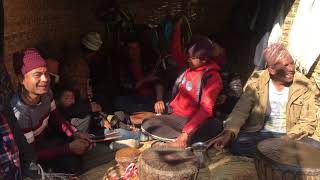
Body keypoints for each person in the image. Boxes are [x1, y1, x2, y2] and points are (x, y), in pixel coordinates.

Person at [208, 43, 320, 157]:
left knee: (316, 148)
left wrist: (287, 138)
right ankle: (277, 156)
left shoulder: (303, 84)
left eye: (292, 63)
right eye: (286, 65)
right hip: (262, 135)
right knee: (238, 144)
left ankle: (269, 156)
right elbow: (241, 110)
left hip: (290, 135)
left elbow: (307, 121)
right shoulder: (257, 81)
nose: (291, 68)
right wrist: (230, 131)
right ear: (272, 69)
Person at [11, 48, 94, 173]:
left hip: (47, 139)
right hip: (35, 153)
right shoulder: (20, 114)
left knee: (84, 130)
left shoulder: (46, 93)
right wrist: (69, 148)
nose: (45, 79)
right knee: (71, 163)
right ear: (21, 79)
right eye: (37, 75)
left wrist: (74, 133)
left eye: (46, 73)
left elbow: (55, 116)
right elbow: (33, 154)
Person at [143, 35, 223, 148]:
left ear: (204, 59)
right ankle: (181, 141)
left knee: (216, 126)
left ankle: (183, 141)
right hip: (175, 117)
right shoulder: (188, 68)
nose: (188, 59)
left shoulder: (212, 78)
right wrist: (177, 28)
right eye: (188, 56)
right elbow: (175, 52)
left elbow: (206, 110)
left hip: (193, 120)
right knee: (148, 123)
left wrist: (187, 132)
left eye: (193, 57)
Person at [113, 36, 165, 113]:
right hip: (134, 98)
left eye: (136, 48)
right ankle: (146, 112)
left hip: (150, 98)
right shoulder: (124, 65)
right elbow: (127, 86)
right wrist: (144, 79)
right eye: (131, 48)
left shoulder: (148, 62)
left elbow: (158, 81)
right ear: (127, 50)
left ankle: (146, 112)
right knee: (118, 101)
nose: (134, 51)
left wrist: (159, 100)